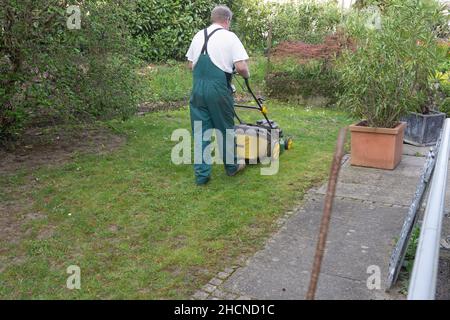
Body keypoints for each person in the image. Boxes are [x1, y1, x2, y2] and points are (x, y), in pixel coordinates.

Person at [186, 5, 250, 185]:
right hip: (218, 89)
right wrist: (247, 76)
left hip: (198, 89)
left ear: (213, 18)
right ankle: (232, 167)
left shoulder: (198, 35)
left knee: (200, 132)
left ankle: (202, 176)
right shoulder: (230, 37)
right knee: (225, 130)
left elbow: (190, 65)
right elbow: (241, 66)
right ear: (227, 20)